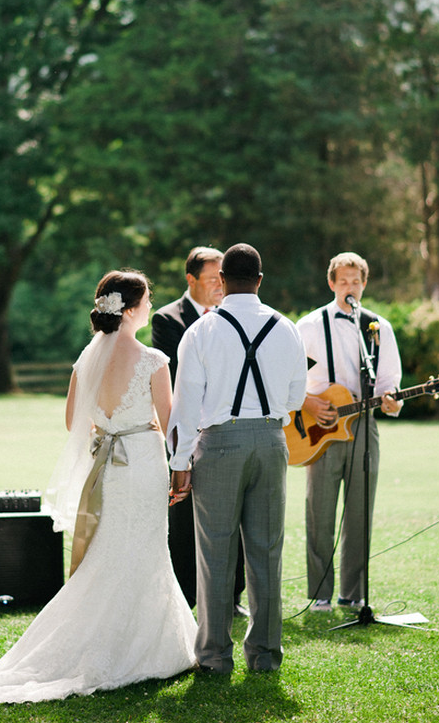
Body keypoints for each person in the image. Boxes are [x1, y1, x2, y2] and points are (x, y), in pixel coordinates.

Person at [0, 270, 196, 704]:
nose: (152, 306)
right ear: (132, 308)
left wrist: (109, 425)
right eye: (148, 299)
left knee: (109, 551)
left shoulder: (86, 358)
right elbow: (172, 425)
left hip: (108, 467)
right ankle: (145, 649)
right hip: (143, 462)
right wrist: (160, 442)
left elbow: (71, 422)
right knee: (146, 550)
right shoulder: (154, 360)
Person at [168, 244, 308, 674]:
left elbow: (186, 401)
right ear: (261, 281)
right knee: (266, 551)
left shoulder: (202, 330)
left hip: (220, 443)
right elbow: (297, 397)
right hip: (270, 441)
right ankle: (265, 655)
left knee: (215, 554)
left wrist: (179, 463)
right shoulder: (286, 328)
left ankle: (213, 656)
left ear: (223, 280)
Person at [296, 252, 402, 613]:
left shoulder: (379, 328)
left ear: (364, 284)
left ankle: (353, 593)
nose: (350, 287)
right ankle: (320, 594)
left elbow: (389, 383)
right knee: (320, 513)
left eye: (356, 281)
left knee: (360, 514)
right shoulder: (308, 326)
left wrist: (392, 401)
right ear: (331, 283)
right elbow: (286, 378)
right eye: (343, 281)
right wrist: (308, 403)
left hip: (363, 427)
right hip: (319, 429)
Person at [152, 247, 246, 615]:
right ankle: (188, 596)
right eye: (212, 279)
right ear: (191, 280)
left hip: (227, 427)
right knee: (184, 516)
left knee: (233, 511)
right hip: (188, 429)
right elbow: (179, 378)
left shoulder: (232, 315)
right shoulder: (168, 319)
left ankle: (233, 596)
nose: (220, 286)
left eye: (222, 278)